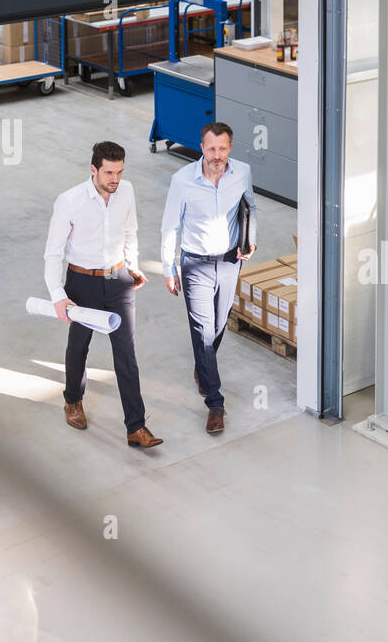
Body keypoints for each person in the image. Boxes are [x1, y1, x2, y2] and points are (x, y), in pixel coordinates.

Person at [43, 141, 163, 448]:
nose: (115, 179)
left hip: (118, 279)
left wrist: (132, 266)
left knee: (126, 353)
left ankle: (136, 427)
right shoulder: (69, 201)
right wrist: (58, 295)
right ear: (93, 169)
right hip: (82, 282)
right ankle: (72, 399)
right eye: (109, 172)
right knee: (79, 345)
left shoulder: (127, 191)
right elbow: (53, 253)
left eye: (119, 172)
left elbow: (130, 231)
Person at [159, 122, 258, 434]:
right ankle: (215, 403)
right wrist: (168, 267)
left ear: (230, 148)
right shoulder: (183, 181)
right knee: (203, 331)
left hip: (230, 261)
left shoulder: (241, 172)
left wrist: (251, 240)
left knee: (218, 325)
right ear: (201, 148)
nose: (218, 156)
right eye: (212, 149)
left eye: (223, 149)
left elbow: (251, 207)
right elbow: (169, 226)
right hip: (196, 264)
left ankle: (203, 366)